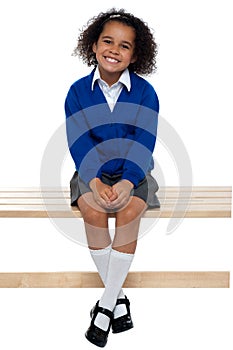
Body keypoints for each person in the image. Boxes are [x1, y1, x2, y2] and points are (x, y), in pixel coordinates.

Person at [65, 8, 159, 347]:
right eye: (108, 41)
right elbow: (78, 140)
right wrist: (94, 181)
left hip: (133, 173)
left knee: (128, 212)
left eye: (124, 46)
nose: (114, 50)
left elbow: (143, 140)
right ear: (93, 45)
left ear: (135, 54)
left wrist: (126, 181)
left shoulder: (145, 93)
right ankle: (116, 299)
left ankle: (105, 306)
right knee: (93, 212)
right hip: (90, 173)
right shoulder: (78, 92)